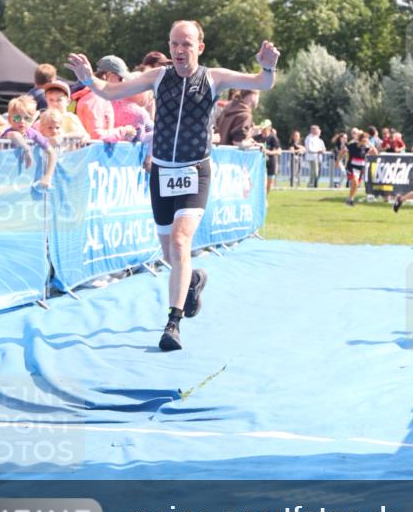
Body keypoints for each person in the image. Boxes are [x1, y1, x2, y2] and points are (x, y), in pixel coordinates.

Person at [67, 21, 279, 352]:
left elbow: (262, 82)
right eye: (174, 44)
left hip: (195, 170)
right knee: (169, 254)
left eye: (187, 44)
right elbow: (109, 91)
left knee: (181, 242)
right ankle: (193, 279)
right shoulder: (158, 77)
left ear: (200, 47)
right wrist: (86, 79)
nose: (180, 50)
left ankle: (173, 322)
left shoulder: (214, 77)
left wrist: (267, 65)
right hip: (162, 171)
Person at [71, 56, 136, 142]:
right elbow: (96, 135)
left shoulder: (94, 96)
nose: (123, 82)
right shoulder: (96, 98)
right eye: (120, 78)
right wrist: (124, 131)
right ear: (109, 76)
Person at [1, 96, 56, 188]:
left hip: (23, 177)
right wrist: (27, 149)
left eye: (27, 118)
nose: (22, 121)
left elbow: (51, 153)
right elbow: (15, 135)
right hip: (5, 175)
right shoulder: (8, 132)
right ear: (10, 119)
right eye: (17, 118)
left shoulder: (32, 133)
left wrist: (48, 176)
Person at [342, 131, 376, 206]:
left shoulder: (366, 147)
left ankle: (350, 199)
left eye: (367, 138)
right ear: (361, 139)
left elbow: (375, 153)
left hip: (360, 169)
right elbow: (343, 151)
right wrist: (338, 161)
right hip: (351, 167)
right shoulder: (352, 145)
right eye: (365, 138)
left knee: (355, 185)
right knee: (355, 182)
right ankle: (350, 200)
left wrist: (370, 143)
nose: (366, 140)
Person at [253, 119, 281, 194]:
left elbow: (279, 151)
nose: (263, 130)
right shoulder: (256, 138)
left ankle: (265, 197)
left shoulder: (273, 138)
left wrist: (268, 152)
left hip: (270, 162)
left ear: (269, 128)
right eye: (262, 128)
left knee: (269, 183)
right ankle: (262, 199)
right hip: (260, 163)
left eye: (265, 128)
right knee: (261, 182)